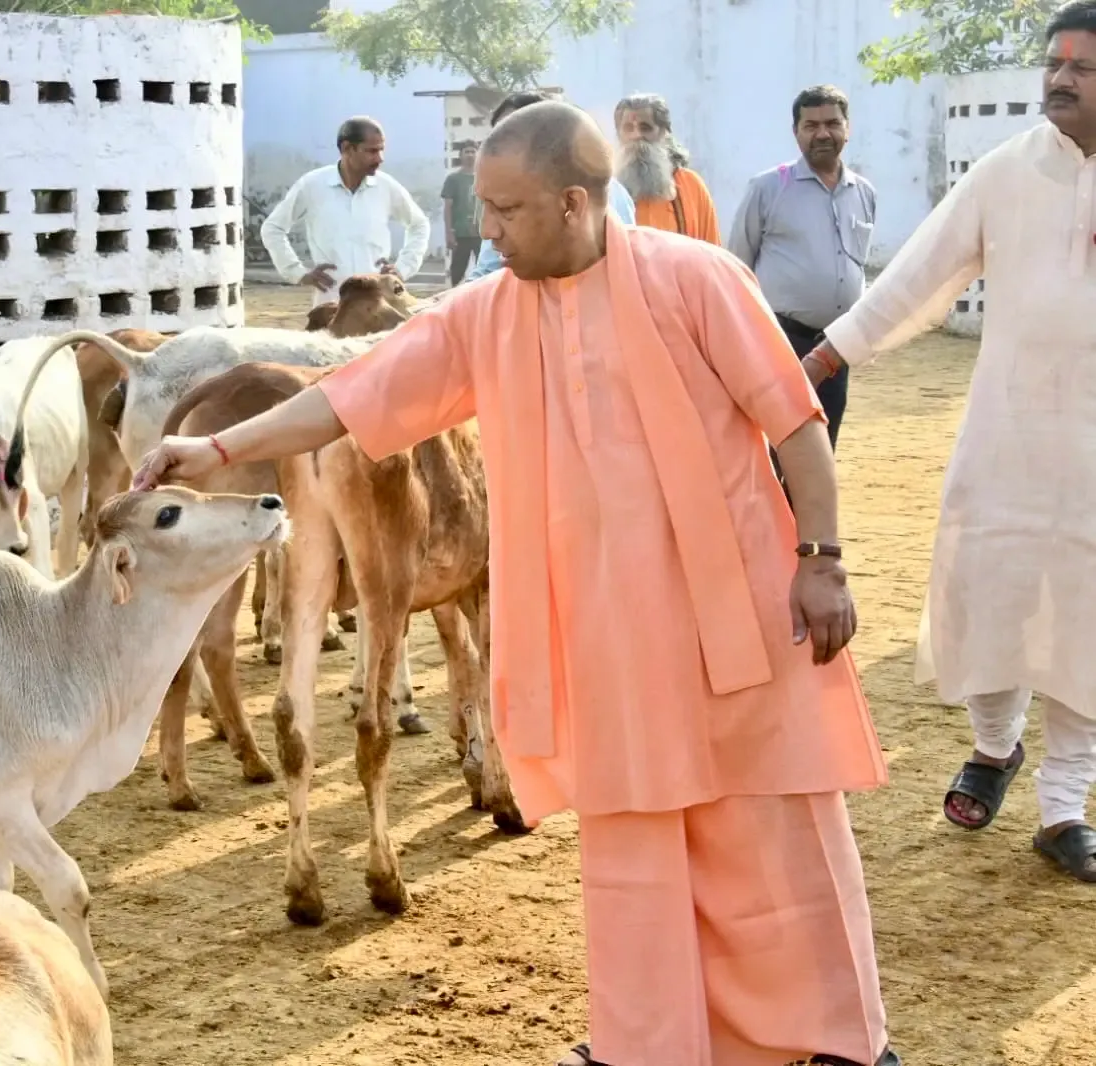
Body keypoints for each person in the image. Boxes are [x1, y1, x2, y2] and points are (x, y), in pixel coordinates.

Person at [135, 100, 899, 1066]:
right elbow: (348, 397)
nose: (482, 228)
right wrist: (213, 446)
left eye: (504, 210)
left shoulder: (699, 280)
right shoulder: (485, 313)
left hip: (734, 615)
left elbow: (795, 424)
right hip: (602, 635)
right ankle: (647, 1046)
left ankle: (828, 1043)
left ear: (573, 206)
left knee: (770, 833)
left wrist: (821, 563)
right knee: (632, 847)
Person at [802, 0, 1096, 884]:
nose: (1058, 78)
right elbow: (916, 277)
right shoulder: (1005, 172)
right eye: (1053, 63)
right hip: (1006, 437)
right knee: (990, 588)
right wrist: (819, 358)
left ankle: (1064, 805)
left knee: (1088, 617)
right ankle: (992, 747)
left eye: (1081, 67)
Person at [729, 84, 876, 453]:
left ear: (848, 128)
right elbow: (735, 268)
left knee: (825, 444)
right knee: (781, 446)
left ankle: (808, 514)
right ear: (796, 132)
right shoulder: (767, 188)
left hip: (837, 346)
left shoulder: (863, 192)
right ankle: (778, 513)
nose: (822, 133)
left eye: (832, 123)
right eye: (811, 125)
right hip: (781, 342)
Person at [464, 91, 636, 283]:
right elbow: (484, 274)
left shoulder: (668, 278)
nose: (488, 231)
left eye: (507, 209)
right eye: (497, 137)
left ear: (572, 204)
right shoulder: (497, 288)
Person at [259, 116, 430, 307]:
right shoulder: (313, 185)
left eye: (381, 150)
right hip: (331, 302)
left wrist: (403, 268)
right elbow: (272, 228)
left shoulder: (385, 186)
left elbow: (419, 225)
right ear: (347, 149)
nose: (380, 159)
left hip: (379, 304)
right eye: (372, 151)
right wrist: (298, 273)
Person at [612, 93, 721, 243]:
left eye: (645, 128)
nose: (637, 135)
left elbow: (712, 254)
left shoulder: (691, 187)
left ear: (664, 133)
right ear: (619, 135)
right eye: (628, 128)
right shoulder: (606, 190)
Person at [442, 141, 483, 286]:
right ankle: (452, 299)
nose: (470, 155)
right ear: (461, 156)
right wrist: (449, 233)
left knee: (485, 271)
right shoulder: (453, 179)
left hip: (482, 233)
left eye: (473, 151)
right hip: (460, 233)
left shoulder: (484, 177)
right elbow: (448, 207)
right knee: (457, 271)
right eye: (467, 152)